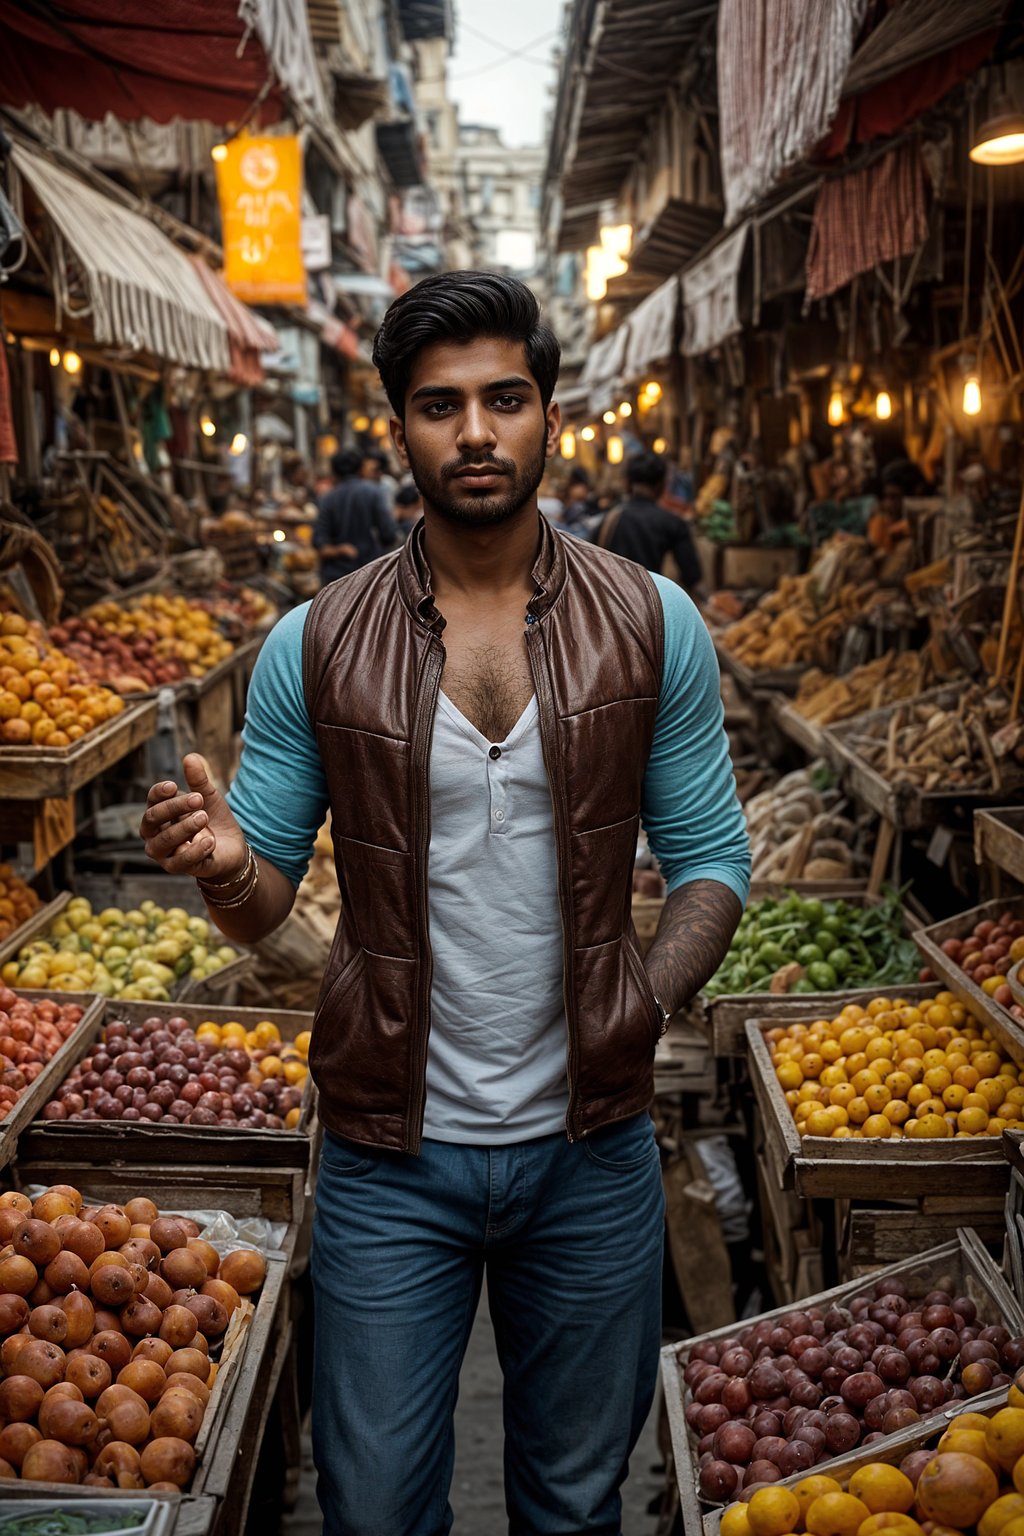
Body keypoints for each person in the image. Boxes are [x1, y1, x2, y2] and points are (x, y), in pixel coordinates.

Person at [137, 271, 750, 1536]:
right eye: (440, 406)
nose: (475, 432)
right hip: (386, 1153)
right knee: (371, 1508)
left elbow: (711, 862)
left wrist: (639, 1000)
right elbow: (261, 902)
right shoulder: (318, 639)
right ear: (399, 429)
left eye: (504, 400)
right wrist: (217, 865)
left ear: (549, 416)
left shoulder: (652, 624)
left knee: (575, 1507)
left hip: (592, 1149)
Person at [599, 450, 703, 592]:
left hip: (611, 605)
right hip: (653, 605)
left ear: (627, 484)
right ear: (662, 485)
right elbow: (692, 577)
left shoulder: (609, 519)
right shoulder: (673, 523)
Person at [312, 447, 396, 584]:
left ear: (334, 472)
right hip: (370, 573)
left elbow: (319, 541)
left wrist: (339, 550)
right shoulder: (373, 492)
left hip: (336, 578)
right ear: (360, 468)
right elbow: (388, 534)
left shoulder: (327, 499)